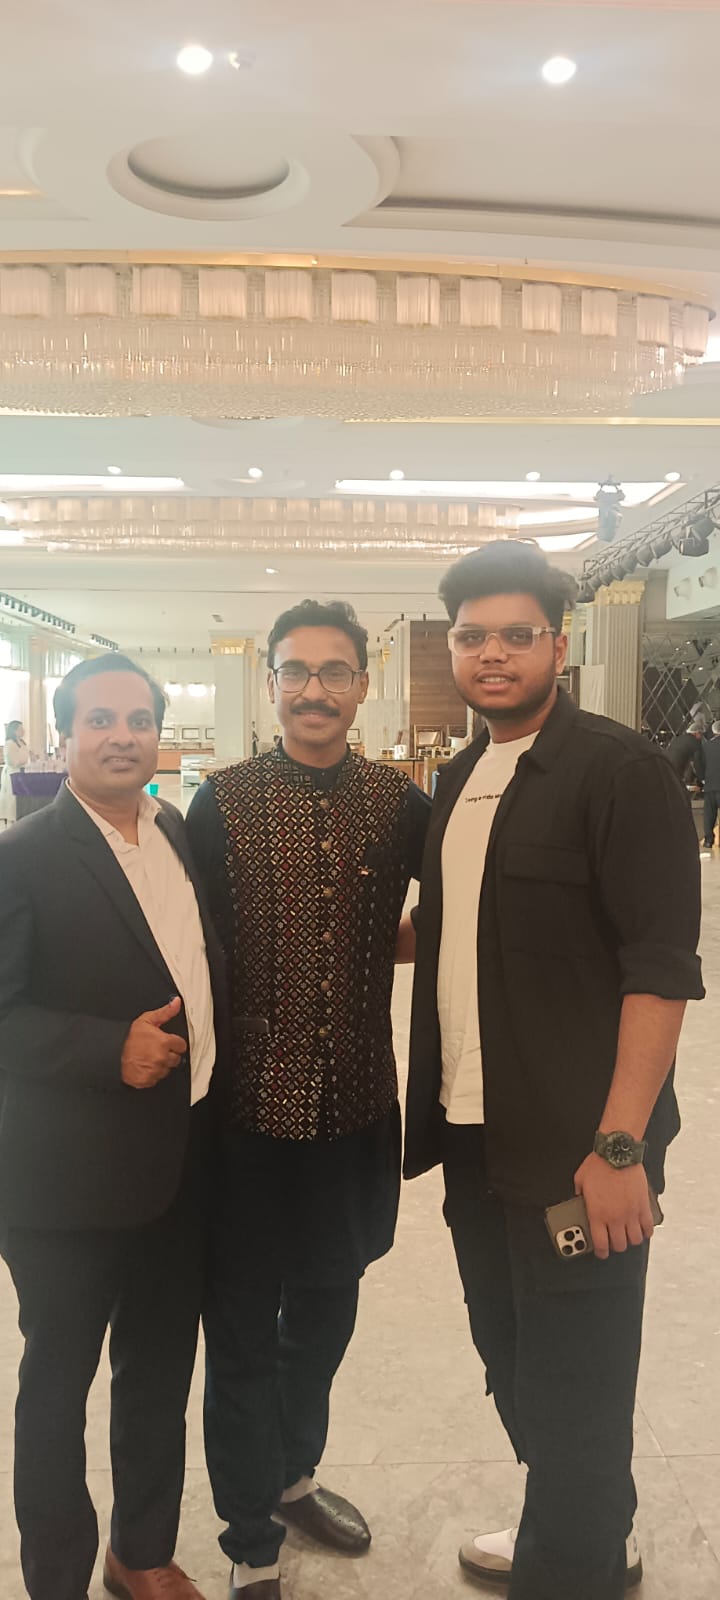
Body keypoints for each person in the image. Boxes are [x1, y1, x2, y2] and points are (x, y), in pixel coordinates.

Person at [402, 542, 704, 1600]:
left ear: (559, 647)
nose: (493, 654)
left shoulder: (620, 771)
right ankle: (587, 1527)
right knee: (512, 1354)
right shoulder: (459, 779)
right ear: (452, 648)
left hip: (580, 1152)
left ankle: (569, 1565)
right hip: (474, 1134)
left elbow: (660, 970)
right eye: (473, 636)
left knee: (579, 1377)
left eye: (516, 635)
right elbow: (460, 930)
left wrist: (621, 1147)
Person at [186, 599, 430, 1600]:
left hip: (356, 1110)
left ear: (364, 683)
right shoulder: (221, 802)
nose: (315, 690)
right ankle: (250, 1540)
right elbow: (187, 947)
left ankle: (291, 1477)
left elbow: (450, 914)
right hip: (244, 1118)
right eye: (296, 671)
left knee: (326, 1315)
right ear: (271, 684)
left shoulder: (401, 804)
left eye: (335, 671)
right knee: (243, 1332)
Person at [0, 654, 228, 1600]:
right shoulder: (20, 856)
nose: (123, 737)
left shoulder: (174, 829)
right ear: (63, 736)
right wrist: (106, 1050)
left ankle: (140, 1550)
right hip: (66, 1181)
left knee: (159, 1369)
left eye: (139, 720)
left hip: (181, 1164)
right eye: (100, 719)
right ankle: (55, 1577)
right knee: (59, 1385)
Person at [0, 718, 30, 827]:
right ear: (14, 731)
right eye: (20, 729)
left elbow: (25, 757)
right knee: (12, 798)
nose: (23, 731)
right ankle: (12, 818)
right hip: (13, 773)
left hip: (21, 772)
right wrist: (24, 758)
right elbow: (13, 761)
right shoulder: (10, 744)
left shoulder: (21, 742)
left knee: (20, 797)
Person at [664, 719, 706, 786]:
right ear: (697, 733)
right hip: (680, 771)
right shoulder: (695, 742)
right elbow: (696, 762)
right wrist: (702, 778)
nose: (702, 737)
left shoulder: (679, 738)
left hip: (667, 768)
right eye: (701, 734)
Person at [701, 719, 720, 847]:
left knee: (709, 815)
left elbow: (701, 763)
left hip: (710, 785)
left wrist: (703, 778)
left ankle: (708, 840)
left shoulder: (706, 746)